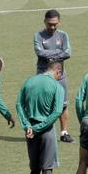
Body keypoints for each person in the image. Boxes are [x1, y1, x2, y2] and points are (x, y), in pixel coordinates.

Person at [17, 59, 66, 174]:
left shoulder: (29, 81)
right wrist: (39, 127)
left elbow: (19, 104)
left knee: (34, 168)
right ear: (57, 72)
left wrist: (27, 126)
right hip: (46, 130)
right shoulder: (57, 87)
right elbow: (57, 112)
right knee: (47, 168)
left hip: (30, 131)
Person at [34, 9, 74, 143]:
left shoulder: (63, 35)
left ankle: (64, 132)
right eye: (50, 24)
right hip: (43, 76)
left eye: (55, 24)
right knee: (43, 103)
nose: (52, 27)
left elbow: (68, 52)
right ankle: (41, 130)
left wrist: (50, 54)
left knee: (63, 104)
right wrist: (58, 52)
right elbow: (39, 52)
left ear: (59, 22)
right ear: (44, 21)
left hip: (60, 76)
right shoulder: (39, 35)